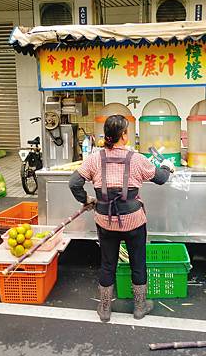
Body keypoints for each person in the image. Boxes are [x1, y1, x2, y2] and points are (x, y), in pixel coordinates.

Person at [69, 115, 174, 322]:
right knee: (138, 262)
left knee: (108, 263)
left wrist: (87, 200)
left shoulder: (94, 159)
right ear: (124, 136)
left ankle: (105, 309)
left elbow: (74, 183)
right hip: (134, 220)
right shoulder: (136, 159)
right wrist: (167, 167)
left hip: (105, 222)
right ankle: (140, 307)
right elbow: (161, 179)